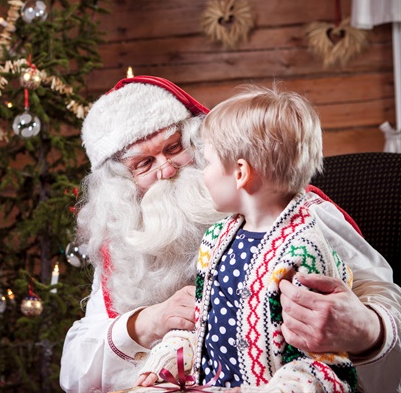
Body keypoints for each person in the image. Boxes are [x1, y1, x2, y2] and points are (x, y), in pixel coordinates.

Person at [59, 75, 401, 393]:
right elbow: (74, 373)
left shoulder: (298, 215)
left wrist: (366, 329)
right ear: (120, 186)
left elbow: (385, 297)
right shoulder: (124, 247)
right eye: (144, 165)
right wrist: (147, 323)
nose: (166, 170)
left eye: (175, 147)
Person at [136, 84, 357, 392]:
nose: (202, 173)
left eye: (210, 162)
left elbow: (323, 363)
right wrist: (171, 358)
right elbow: (204, 324)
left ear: (240, 173)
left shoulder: (304, 251)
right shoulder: (216, 239)